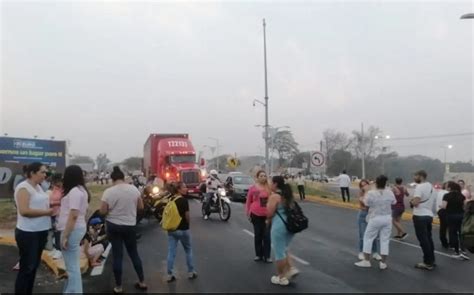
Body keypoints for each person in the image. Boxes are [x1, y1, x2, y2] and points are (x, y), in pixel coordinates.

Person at [100, 166, 147, 293]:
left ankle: (119, 286)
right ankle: (142, 281)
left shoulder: (108, 192)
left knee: (117, 256)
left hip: (113, 226)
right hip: (130, 226)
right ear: (123, 178)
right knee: (134, 254)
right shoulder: (134, 190)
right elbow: (141, 207)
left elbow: (103, 211)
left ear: (113, 179)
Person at [14, 162, 53, 294]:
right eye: (42, 172)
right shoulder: (23, 188)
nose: (45, 175)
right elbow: (24, 211)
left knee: (33, 267)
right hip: (28, 233)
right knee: (27, 268)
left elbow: (40, 204)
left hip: (40, 231)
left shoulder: (38, 187)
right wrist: (47, 213)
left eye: (45, 172)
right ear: (32, 173)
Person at [57, 165, 89, 293]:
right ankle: (71, 291)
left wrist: (65, 235)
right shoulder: (82, 190)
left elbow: (73, 215)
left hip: (72, 230)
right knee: (73, 264)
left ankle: (75, 292)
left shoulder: (75, 192)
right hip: (77, 228)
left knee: (72, 267)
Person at [355, 175, 396, 270]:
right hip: (387, 218)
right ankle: (383, 263)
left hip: (375, 217)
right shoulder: (389, 192)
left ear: (376, 183)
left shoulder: (371, 193)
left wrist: (366, 191)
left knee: (368, 238)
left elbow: (366, 203)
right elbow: (394, 202)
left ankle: (366, 261)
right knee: (385, 240)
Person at [266, 176, 299, 286]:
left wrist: (267, 220)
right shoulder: (287, 195)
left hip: (279, 226)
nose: (270, 184)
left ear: (275, 184)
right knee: (283, 248)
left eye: (271, 183)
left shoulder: (274, 196)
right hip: (290, 225)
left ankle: (281, 277)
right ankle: (290, 268)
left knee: (279, 252)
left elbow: (270, 213)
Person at [165, 182, 197, 282]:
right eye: (184, 187)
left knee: (171, 252)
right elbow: (187, 216)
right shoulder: (183, 201)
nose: (186, 188)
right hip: (183, 229)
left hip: (172, 230)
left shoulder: (171, 199)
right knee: (188, 250)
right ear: (178, 189)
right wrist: (188, 225)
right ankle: (191, 272)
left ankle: (170, 274)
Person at [410, 170, 436, 270]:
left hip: (419, 215)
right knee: (429, 239)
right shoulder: (432, 187)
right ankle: (432, 260)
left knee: (423, 240)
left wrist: (412, 202)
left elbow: (416, 202)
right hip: (429, 215)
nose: (414, 178)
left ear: (421, 176)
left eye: (415, 176)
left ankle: (427, 262)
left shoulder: (419, 187)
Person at [245, 170, 272, 263]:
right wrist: (248, 213)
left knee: (267, 236)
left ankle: (267, 256)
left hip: (267, 216)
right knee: (258, 235)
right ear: (257, 177)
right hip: (255, 214)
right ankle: (258, 255)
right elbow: (248, 201)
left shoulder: (269, 188)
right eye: (261, 176)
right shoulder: (253, 188)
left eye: (264, 176)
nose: (263, 177)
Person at [441, 181, 469, 260]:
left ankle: (457, 252)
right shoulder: (462, 196)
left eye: (448, 187)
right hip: (461, 215)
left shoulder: (446, 195)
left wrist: (441, 205)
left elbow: (444, 206)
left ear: (450, 188)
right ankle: (463, 251)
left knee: (453, 233)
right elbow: (465, 206)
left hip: (451, 216)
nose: (447, 188)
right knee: (461, 233)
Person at [356, 179, 381, 261]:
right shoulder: (361, 193)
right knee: (363, 235)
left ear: (368, 184)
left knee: (374, 236)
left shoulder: (374, 193)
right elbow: (363, 206)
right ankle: (361, 252)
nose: (364, 187)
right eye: (362, 186)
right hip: (363, 215)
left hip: (372, 216)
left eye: (365, 184)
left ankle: (375, 253)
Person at [48, 173, 63, 260]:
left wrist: (52, 203)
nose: (56, 184)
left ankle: (59, 250)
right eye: (54, 182)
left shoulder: (64, 190)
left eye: (57, 182)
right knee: (55, 231)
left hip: (60, 214)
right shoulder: (54, 189)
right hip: (53, 213)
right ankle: (57, 248)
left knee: (58, 232)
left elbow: (64, 201)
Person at [436, 182, 449, 249]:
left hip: (439, 210)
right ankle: (445, 242)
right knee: (446, 227)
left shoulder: (439, 192)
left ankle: (443, 241)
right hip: (444, 211)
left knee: (443, 227)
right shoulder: (446, 193)